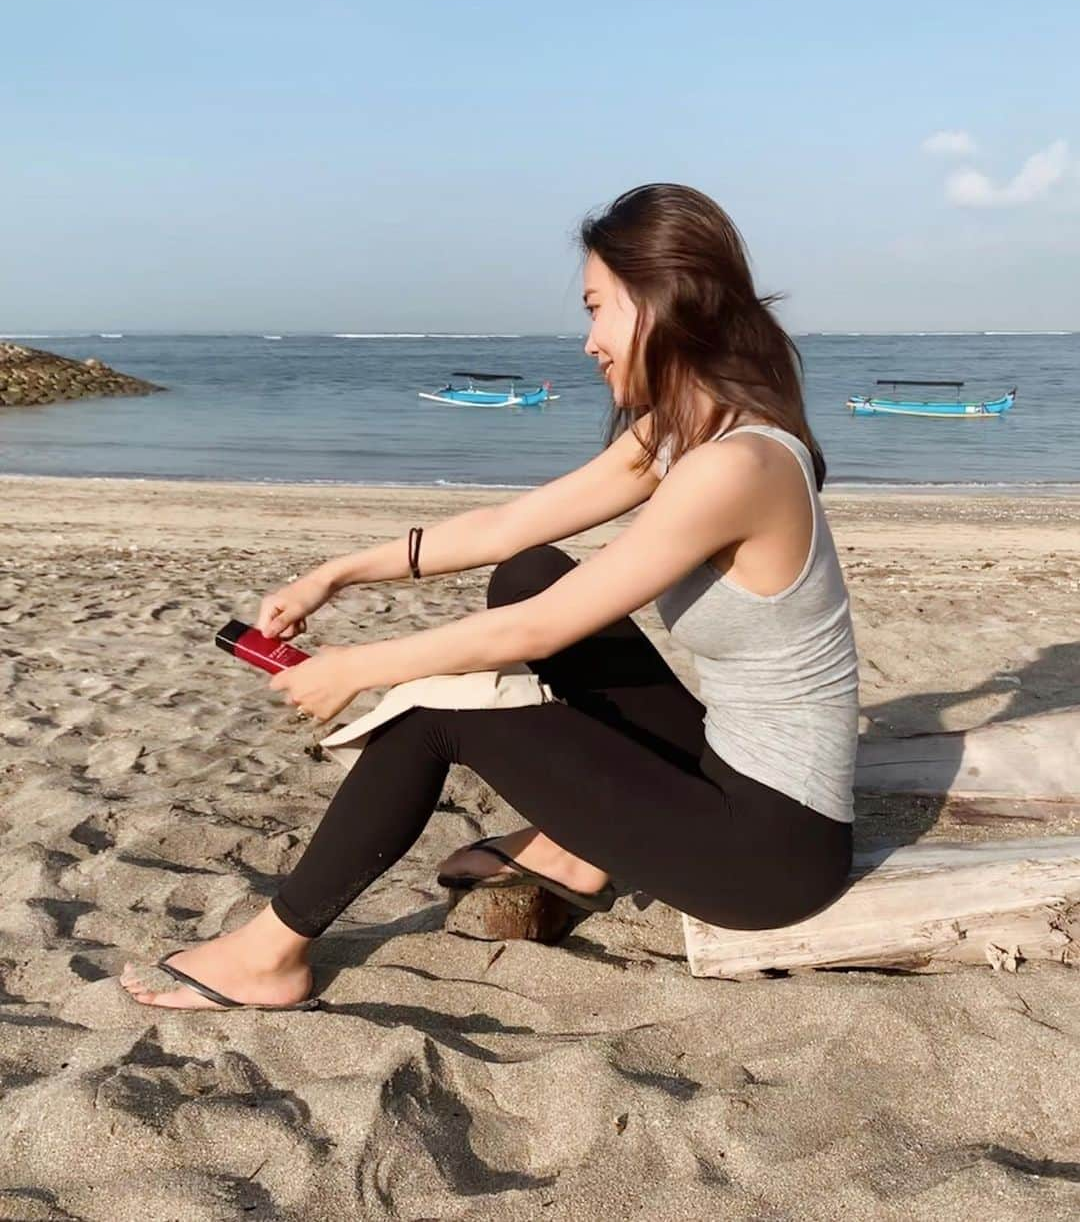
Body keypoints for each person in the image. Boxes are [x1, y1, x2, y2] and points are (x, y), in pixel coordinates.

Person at [121, 183, 859, 1012]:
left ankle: (270, 955)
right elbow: (510, 529)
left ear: (662, 298)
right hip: (728, 772)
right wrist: (335, 572)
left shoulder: (735, 466)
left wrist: (359, 668)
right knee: (532, 567)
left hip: (770, 852)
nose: (588, 343)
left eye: (597, 308)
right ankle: (578, 853)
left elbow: (543, 631)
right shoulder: (688, 433)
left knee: (436, 710)